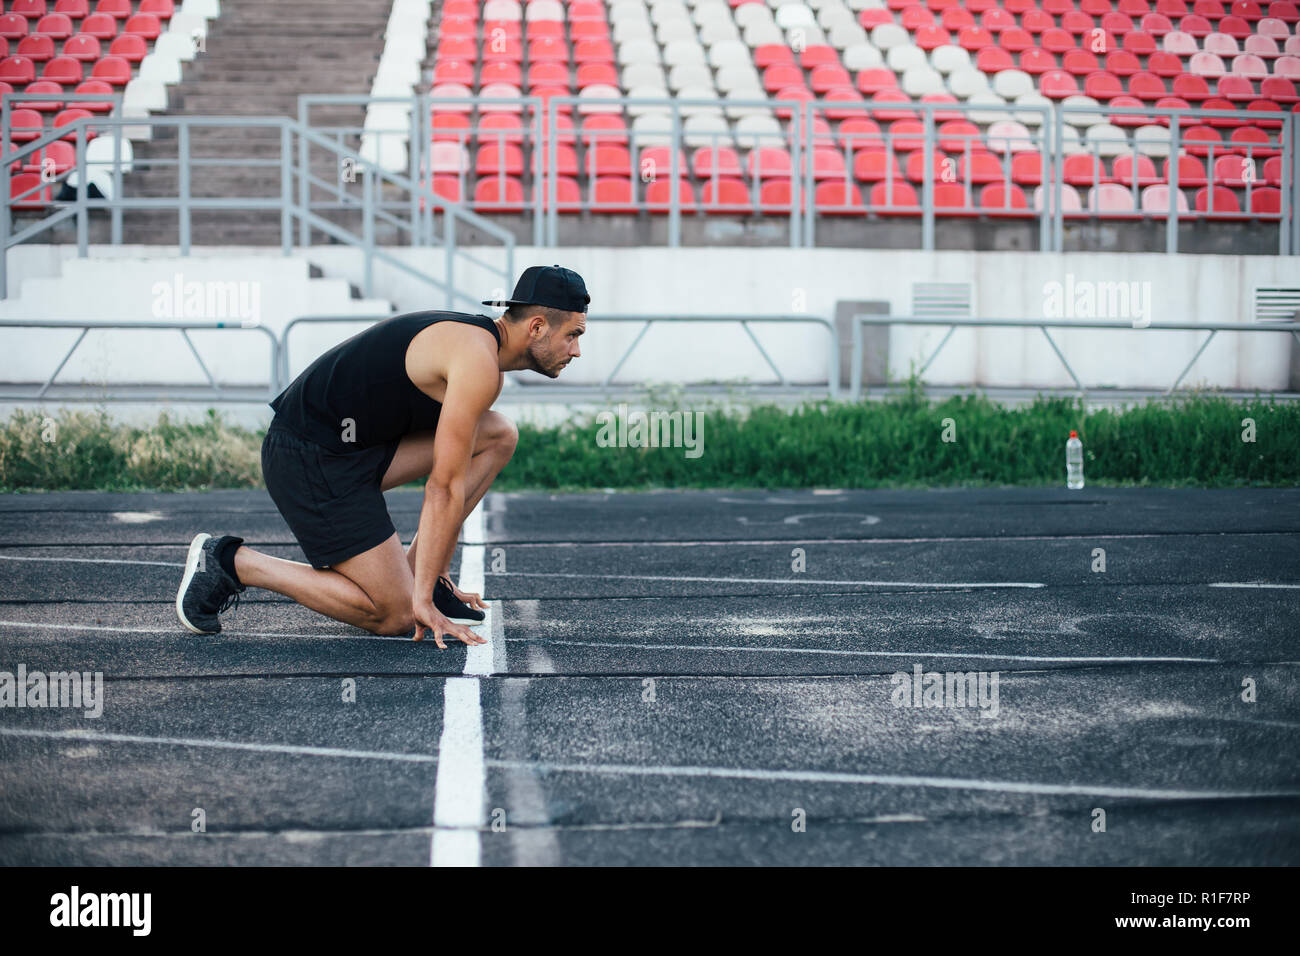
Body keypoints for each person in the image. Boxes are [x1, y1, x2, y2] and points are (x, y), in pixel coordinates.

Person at [175, 265, 589, 648]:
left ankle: (430, 583)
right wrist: (417, 600)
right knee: (395, 615)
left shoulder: (484, 358)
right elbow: (443, 485)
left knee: (497, 434)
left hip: (355, 450)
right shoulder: (476, 359)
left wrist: (431, 580)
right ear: (537, 327)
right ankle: (231, 561)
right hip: (307, 456)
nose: (576, 351)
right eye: (573, 335)